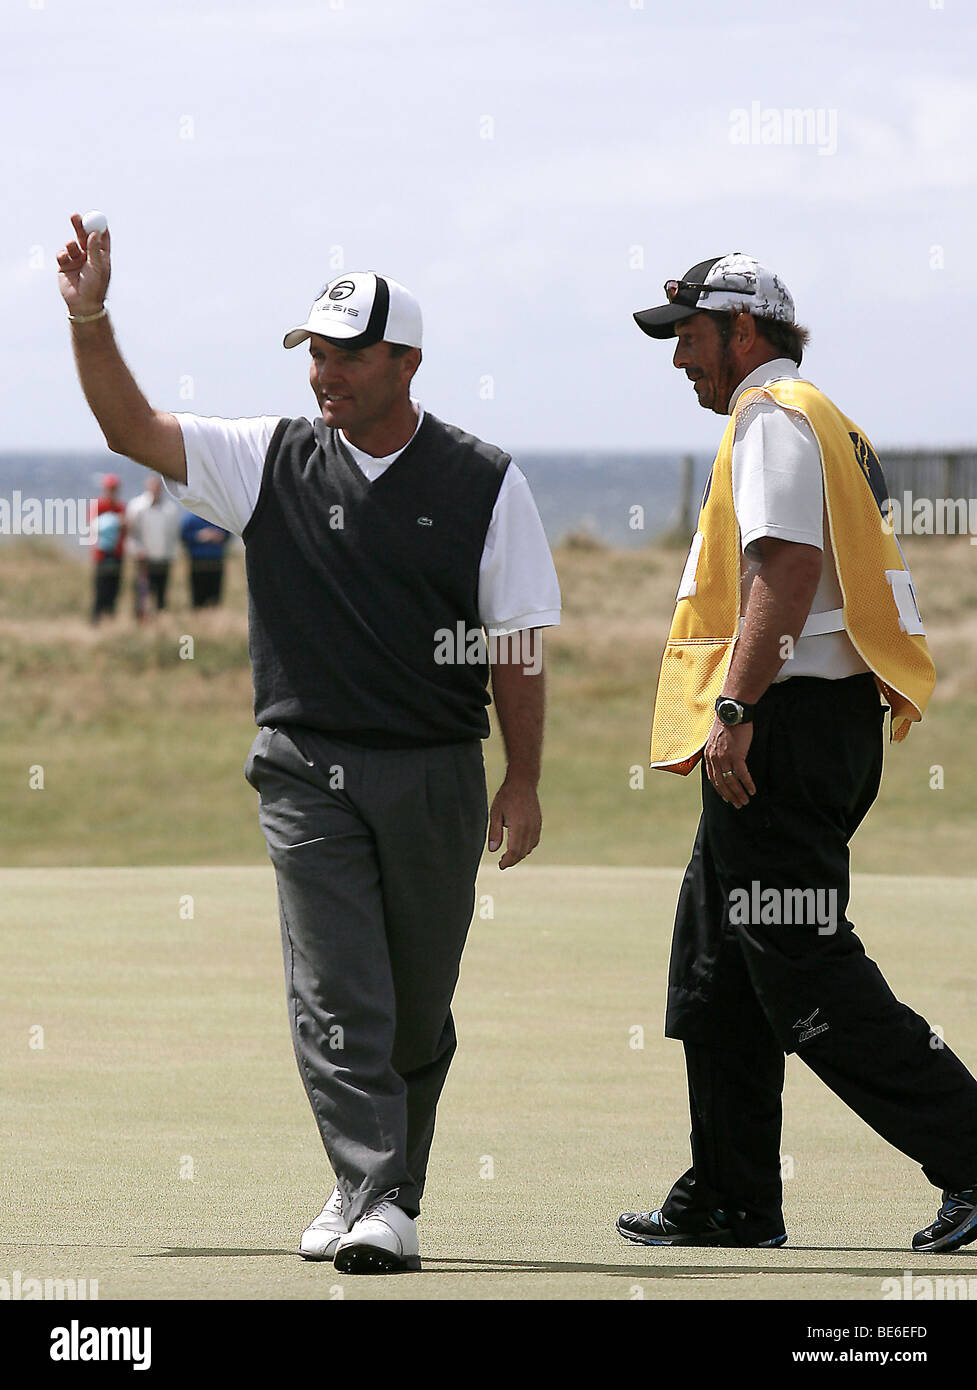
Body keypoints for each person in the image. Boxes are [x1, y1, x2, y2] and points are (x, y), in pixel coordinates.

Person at [57, 214, 561, 1275]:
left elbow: (515, 643)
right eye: (315, 354)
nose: (323, 372)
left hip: (433, 771)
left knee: (416, 1003)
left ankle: (367, 1187)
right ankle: (381, 1190)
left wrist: (521, 777)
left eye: (345, 354)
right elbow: (130, 428)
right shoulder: (268, 458)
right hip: (304, 768)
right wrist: (91, 317)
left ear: (404, 363)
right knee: (340, 990)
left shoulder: (483, 481)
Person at [617, 252, 977, 1254]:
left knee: (803, 967)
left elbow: (783, 565)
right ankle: (732, 1193)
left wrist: (732, 704)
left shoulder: (770, 414)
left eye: (686, 335)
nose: (678, 357)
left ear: (741, 331)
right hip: (808, 720)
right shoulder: (821, 417)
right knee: (715, 963)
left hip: (783, 723)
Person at [125, 475, 182, 616]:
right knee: (142, 593)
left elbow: (173, 534)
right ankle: (140, 620)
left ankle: (160, 621)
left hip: (163, 558)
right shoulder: (137, 506)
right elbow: (132, 533)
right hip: (144, 559)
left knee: (161, 592)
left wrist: (172, 554)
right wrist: (137, 550)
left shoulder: (170, 509)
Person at [89, 472, 126, 623]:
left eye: (114, 489)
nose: (112, 492)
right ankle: (96, 621)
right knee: (101, 590)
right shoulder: (98, 505)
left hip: (117, 554)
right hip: (102, 555)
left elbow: (125, 528)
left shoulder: (121, 506)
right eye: (110, 488)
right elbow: (95, 526)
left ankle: (110, 621)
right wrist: (116, 522)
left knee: (114, 590)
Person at [180, 510, 231, 608]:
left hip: (216, 564)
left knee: (214, 600)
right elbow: (184, 536)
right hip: (198, 564)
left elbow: (228, 534)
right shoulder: (191, 519)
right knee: (198, 599)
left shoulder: (220, 518)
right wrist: (199, 536)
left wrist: (219, 535)